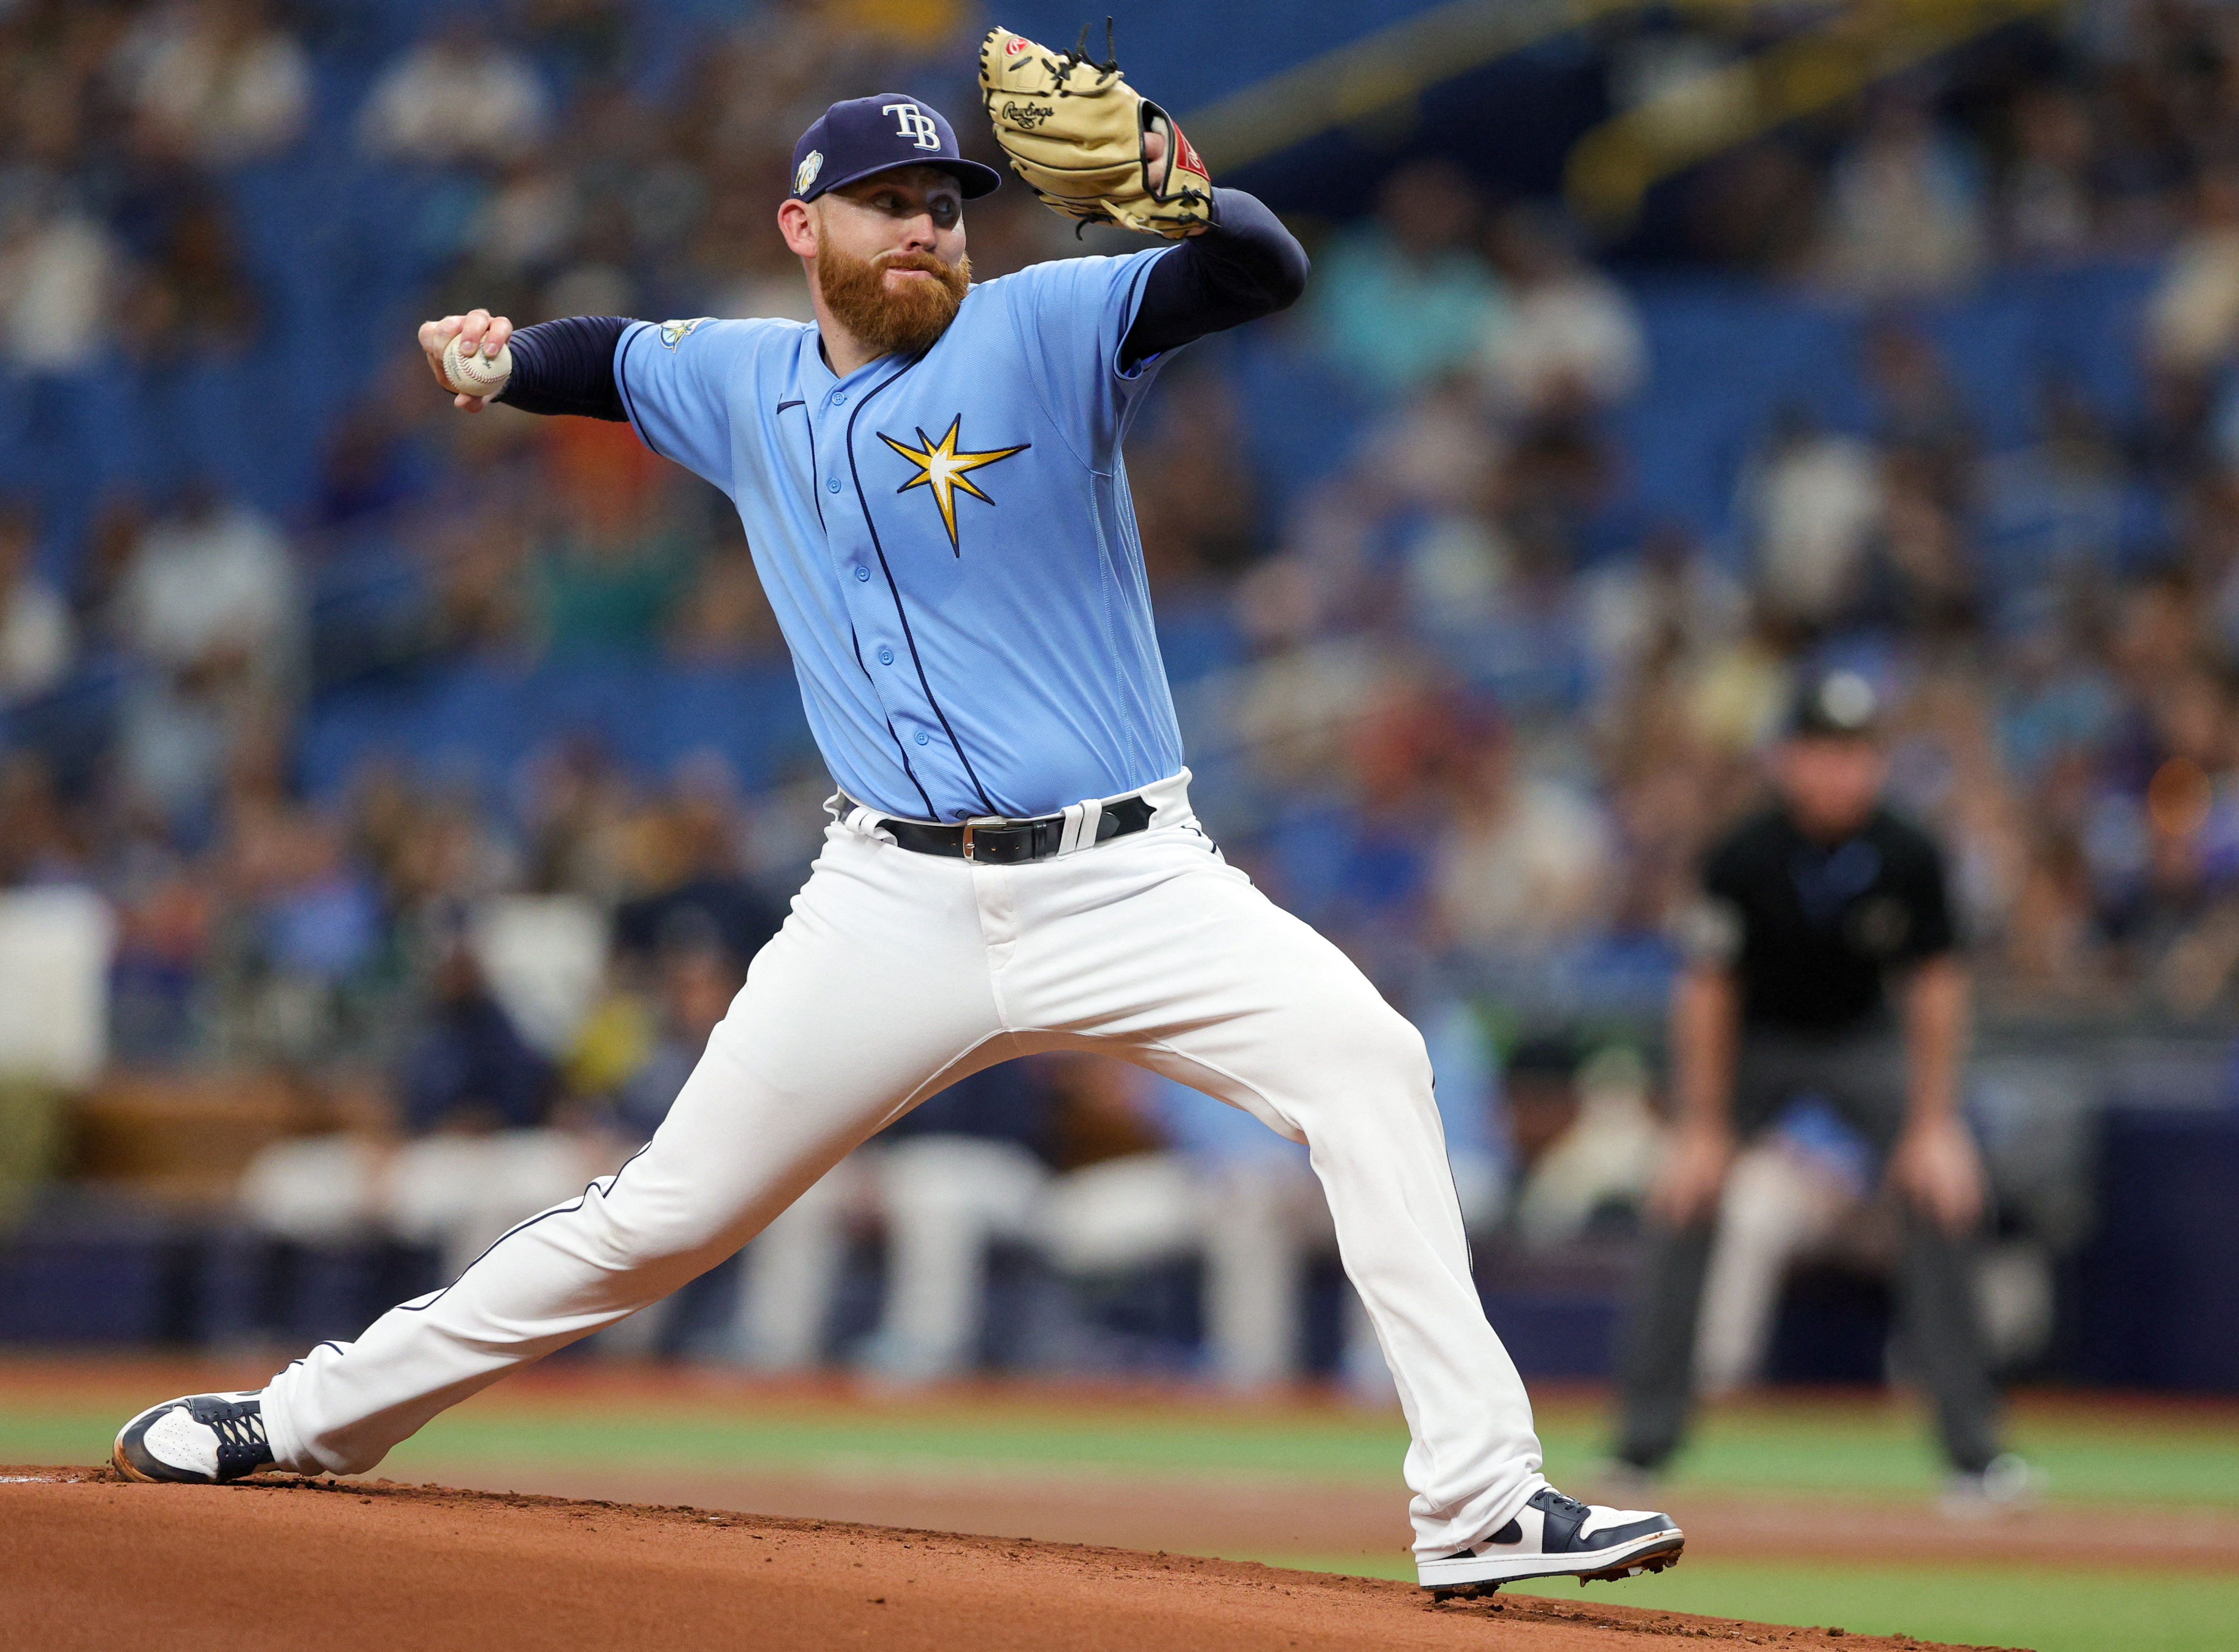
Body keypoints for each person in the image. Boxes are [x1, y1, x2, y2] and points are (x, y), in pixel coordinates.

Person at [112, 45, 1681, 1598]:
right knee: (657, 1218)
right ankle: (301, 1417)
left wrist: (1180, 191)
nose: (928, 225)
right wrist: (500, 359)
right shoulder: (741, 378)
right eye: (886, 203)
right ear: (802, 228)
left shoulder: (1043, 326)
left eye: (945, 200)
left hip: (1126, 875)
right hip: (888, 905)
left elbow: (1255, 274)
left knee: (1369, 1063)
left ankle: (1476, 1497)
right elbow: (611, 357)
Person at [1610, 670, 2026, 1509]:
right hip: (1758, 1042)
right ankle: (1641, 1445)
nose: (1840, 771)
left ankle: (1974, 1454)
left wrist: (1932, 1121)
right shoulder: (1743, 853)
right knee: (1683, 1197)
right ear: (1788, 760)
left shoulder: (1909, 852)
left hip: (1863, 1041)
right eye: (1822, 752)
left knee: (1938, 1192)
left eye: (1857, 753)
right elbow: (1708, 991)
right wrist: (1700, 1124)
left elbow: (1936, 987)